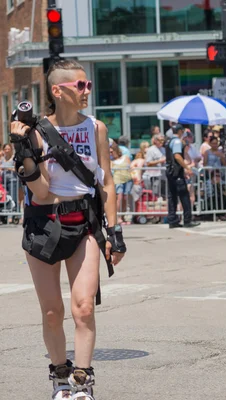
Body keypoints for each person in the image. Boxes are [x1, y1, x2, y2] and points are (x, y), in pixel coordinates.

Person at [9, 59, 126, 399]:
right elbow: (42, 192)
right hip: (44, 225)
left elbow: (105, 183)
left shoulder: (96, 128)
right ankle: (60, 377)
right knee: (51, 312)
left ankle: (82, 382)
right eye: (81, 86)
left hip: (84, 225)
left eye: (88, 85)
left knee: (83, 307)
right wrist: (24, 150)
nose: (87, 91)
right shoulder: (36, 131)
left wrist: (114, 232)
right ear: (58, 90)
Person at [165, 124, 200, 229]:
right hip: (176, 172)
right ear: (180, 131)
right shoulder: (176, 142)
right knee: (184, 196)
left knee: (172, 196)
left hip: (171, 171)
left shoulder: (169, 141)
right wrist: (187, 168)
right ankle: (187, 220)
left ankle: (173, 220)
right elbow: (177, 156)